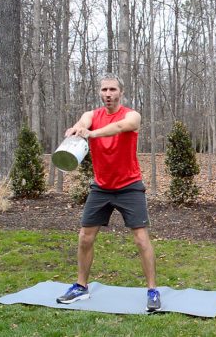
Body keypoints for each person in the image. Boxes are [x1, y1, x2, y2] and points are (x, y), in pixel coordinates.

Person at [56, 73, 160, 312]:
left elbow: (122, 127)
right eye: (104, 90)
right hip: (101, 187)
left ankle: (152, 290)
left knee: (141, 239)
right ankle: (81, 287)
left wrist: (92, 134)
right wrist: (78, 129)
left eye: (112, 90)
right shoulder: (92, 115)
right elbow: (84, 122)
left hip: (130, 186)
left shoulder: (132, 115)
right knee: (85, 236)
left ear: (120, 92)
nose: (108, 94)